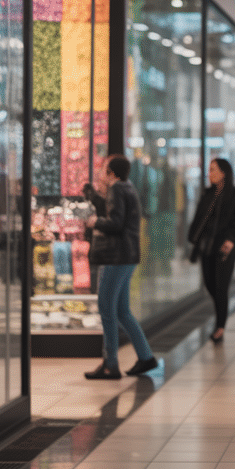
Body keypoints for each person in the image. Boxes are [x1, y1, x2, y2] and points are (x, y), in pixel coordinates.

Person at [83, 155, 159, 379]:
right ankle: (145, 357)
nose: (101, 172)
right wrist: (95, 197)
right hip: (128, 255)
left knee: (107, 308)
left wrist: (95, 222)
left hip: (117, 256)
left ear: (111, 173)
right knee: (122, 311)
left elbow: (116, 223)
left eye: (104, 169)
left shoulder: (117, 189)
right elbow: (119, 215)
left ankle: (111, 364)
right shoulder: (127, 188)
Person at [188, 158, 235, 344]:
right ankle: (221, 313)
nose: (210, 173)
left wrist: (231, 239)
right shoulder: (209, 194)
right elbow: (200, 218)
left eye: (213, 169)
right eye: (209, 169)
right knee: (210, 284)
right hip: (207, 246)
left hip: (225, 247)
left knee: (221, 287)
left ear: (224, 172)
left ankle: (220, 327)